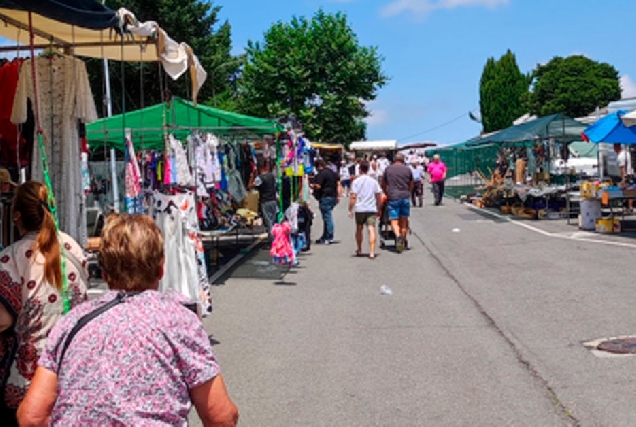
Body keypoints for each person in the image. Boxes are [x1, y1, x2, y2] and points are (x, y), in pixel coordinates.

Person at [17, 214, 239, 426]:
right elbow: (221, 417)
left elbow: (32, 416)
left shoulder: (71, 323)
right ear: (161, 268)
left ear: (104, 273)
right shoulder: (179, 321)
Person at [0, 181, 89, 426]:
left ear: (16, 216)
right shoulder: (72, 247)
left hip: (28, 381)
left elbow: (3, 320)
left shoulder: (11, 258)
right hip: (74, 373)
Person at [348, 161, 383, 259]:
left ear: (359, 169)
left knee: (359, 228)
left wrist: (350, 209)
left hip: (360, 208)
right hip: (371, 208)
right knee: (371, 228)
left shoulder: (356, 181)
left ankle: (359, 249)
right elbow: (378, 196)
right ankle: (372, 251)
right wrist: (379, 207)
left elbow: (353, 196)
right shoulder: (373, 181)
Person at [381, 153, 413, 253]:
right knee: (404, 220)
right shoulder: (408, 169)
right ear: (403, 160)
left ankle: (398, 236)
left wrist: (386, 192)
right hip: (405, 196)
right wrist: (409, 192)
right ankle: (402, 241)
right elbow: (411, 183)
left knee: (393, 220)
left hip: (393, 196)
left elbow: (383, 183)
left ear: (394, 160)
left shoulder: (388, 169)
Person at [311, 159, 342, 244]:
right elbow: (339, 183)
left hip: (325, 196)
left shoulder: (321, 174)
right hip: (333, 196)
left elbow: (318, 186)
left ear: (318, 166)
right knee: (326, 216)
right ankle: (325, 236)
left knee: (327, 217)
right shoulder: (332, 173)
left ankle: (329, 236)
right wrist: (339, 196)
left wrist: (312, 185)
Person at [250, 162, 279, 237]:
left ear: (259, 168)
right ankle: (277, 237)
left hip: (265, 201)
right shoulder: (272, 176)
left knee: (268, 222)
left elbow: (250, 186)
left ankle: (273, 240)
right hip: (273, 200)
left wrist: (252, 176)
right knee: (273, 220)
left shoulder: (260, 178)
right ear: (266, 166)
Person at [615, 144, 634, 212]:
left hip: (626, 175)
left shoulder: (620, 156)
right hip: (631, 173)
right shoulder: (627, 153)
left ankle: (628, 207)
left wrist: (623, 179)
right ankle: (629, 206)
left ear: (616, 147)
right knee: (631, 191)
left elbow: (622, 169)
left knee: (627, 191)